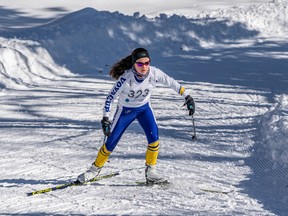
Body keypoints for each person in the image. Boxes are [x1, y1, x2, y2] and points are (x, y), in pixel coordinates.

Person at [77, 47, 195, 184]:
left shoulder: (154, 73)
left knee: (154, 138)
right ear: (134, 64)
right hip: (125, 111)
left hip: (144, 109)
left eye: (147, 63)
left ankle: (151, 171)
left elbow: (172, 83)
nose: (144, 67)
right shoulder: (126, 78)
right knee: (111, 142)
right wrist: (105, 118)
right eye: (140, 63)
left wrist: (188, 97)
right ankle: (94, 170)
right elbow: (110, 98)